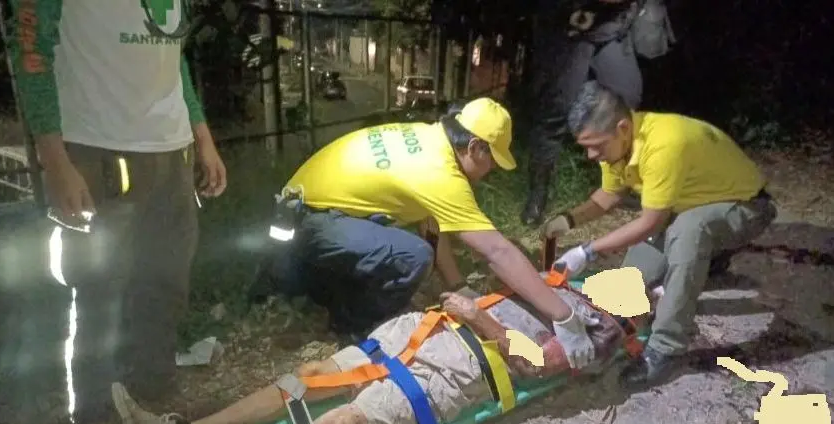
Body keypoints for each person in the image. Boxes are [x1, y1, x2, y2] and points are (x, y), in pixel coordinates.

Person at [111, 281, 632, 424]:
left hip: (463, 370)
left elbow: (535, 366)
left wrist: (480, 318)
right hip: (429, 330)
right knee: (311, 375)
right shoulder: (558, 282)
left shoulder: (599, 332)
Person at [3, 0, 227, 424]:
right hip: (96, 152)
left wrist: (202, 137)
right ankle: (93, 417)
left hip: (173, 153)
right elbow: (31, 52)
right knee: (97, 298)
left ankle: (156, 394)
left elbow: (173, 56)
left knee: (165, 287)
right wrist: (55, 161)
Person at [247, 98, 597, 371]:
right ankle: (352, 325)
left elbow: (433, 219)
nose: (492, 170)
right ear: (475, 147)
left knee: (405, 245)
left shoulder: (428, 137)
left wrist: (458, 285)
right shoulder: (439, 173)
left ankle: (302, 278)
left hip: (299, 209)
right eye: (492, 160)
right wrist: (564, 316)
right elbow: (497, 252)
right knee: (414, 256)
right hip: (312, 222)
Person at [544, 81, 778, 389]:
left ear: (623, 127)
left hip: (746, 206)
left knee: (690, 230)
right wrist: (569, 219)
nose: (590, 155)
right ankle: (699, 265)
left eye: (596, 146)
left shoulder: (665, 143)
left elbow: (651, 222)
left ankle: (666, 349)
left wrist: (587, 251)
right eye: (586, 146)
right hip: (688, 205)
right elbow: (609, 195)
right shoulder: (617, 146)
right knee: (632, 279)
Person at [520, 0, 648, 226]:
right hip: (568, 30)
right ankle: (537, 196)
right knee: (555, 111)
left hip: (612, 29)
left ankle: (621, 183)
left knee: (626, 100)